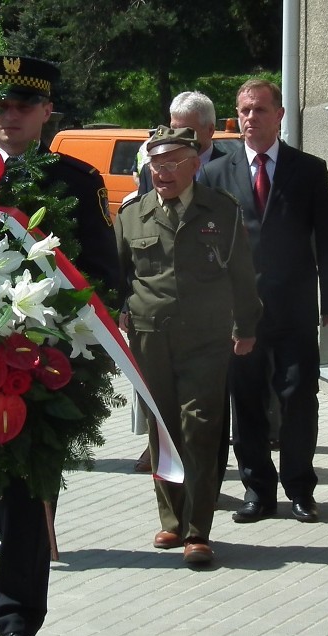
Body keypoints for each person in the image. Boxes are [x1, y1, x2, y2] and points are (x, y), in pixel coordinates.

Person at [0, 55, 120, 636]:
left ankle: (16, 621)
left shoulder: (77, 182)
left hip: (40, 367)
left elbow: (100, 275)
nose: (11, 116)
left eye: (24, 106)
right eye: (1, 106)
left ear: (46, 113)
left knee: (28, 502)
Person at [200, 79, 328, 524]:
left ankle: (301, 488)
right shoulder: (216, 173)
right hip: (239, 315)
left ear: (280, 115)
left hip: (295, 309)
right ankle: (258, 491)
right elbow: (207, 249)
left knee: (298, 397)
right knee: (245, 400)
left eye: (261, 110)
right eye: (245, 110)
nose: (251, 118)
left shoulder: (309, 169)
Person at [116, 125, 261, 564]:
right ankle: (172, 521)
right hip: (149, 337)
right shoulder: (131, 214)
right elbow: (119, 275)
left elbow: (241, 274)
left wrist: (246, 325)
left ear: (196, 165)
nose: (163, 172)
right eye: (157, 164)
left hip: (205, 337)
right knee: (163, 430)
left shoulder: (222, 210)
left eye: (174, 163)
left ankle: (199, 529)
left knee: (200, 428)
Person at [133, 91, 230, 478]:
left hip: (210, 313)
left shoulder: (229, 164)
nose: (177, 135)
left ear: (208, 129)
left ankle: (207, 481)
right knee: (163, 404)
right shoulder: (150, 170)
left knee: (208, 411)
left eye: (186, 129)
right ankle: (169, 474)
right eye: (173, 127)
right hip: (160, 315)